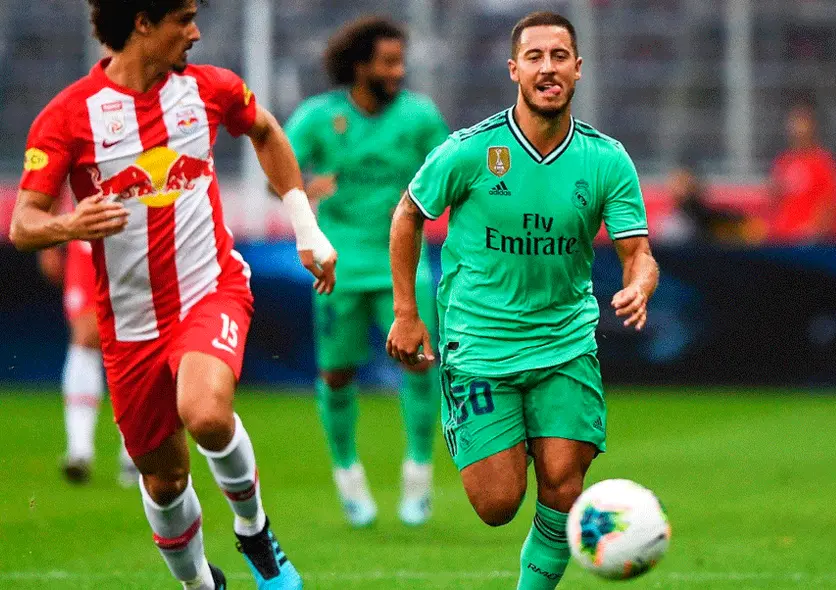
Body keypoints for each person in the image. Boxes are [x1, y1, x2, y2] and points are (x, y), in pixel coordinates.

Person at [9, 1, 336, 588]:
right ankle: (199, 584)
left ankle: (255, 532)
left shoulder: (209, 89)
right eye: (183, 18)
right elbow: (24, 223)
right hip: (130, 322)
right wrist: (69, 225)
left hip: (210, 289)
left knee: (207, 414)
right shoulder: (68, 116)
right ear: (141, 22)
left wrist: (306, 230)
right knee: (163, 481)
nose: (196, 32)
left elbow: (265, 130)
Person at [385, 11, 659, 589]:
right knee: (497, 503)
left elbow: (638, 251)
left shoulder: (606, 160)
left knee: (563, 484)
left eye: (559, 56)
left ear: (578, 70)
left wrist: (638, 283)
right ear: (515, 70)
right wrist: (408, 313)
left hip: (565, 343)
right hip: (481, 344)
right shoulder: (470, 152)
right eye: (534, 57)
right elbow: (408, 214)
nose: (548, 68)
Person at [283, 16, 448, 528]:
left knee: (421, 362)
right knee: (337, 374)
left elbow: (451, 173)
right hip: (338, 268)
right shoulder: (318, 117)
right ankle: (348, 478)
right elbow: (279, 171)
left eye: (401, 61)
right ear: (359, 66)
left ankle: (418, 477)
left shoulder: (419, 117)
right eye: (388, 62)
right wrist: (304, 195)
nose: (398, 71)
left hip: (403, 266)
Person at [38, 239, 139, 487]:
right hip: (87, 239)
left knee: (134, 340)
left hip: (136, 239)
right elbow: (49, 199)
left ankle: (136, 451)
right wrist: (48, 246)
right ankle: (79, 450)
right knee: (85, 335)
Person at [769, 102, 836, 242]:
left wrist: (812, 232)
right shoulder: (784, 161)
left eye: (802, 122)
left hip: (807, 240)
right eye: (794, 122)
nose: (797, 127)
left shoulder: (823, 162)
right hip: (781, 236)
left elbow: (831, 203)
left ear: (812, 126)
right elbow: (776, 199)